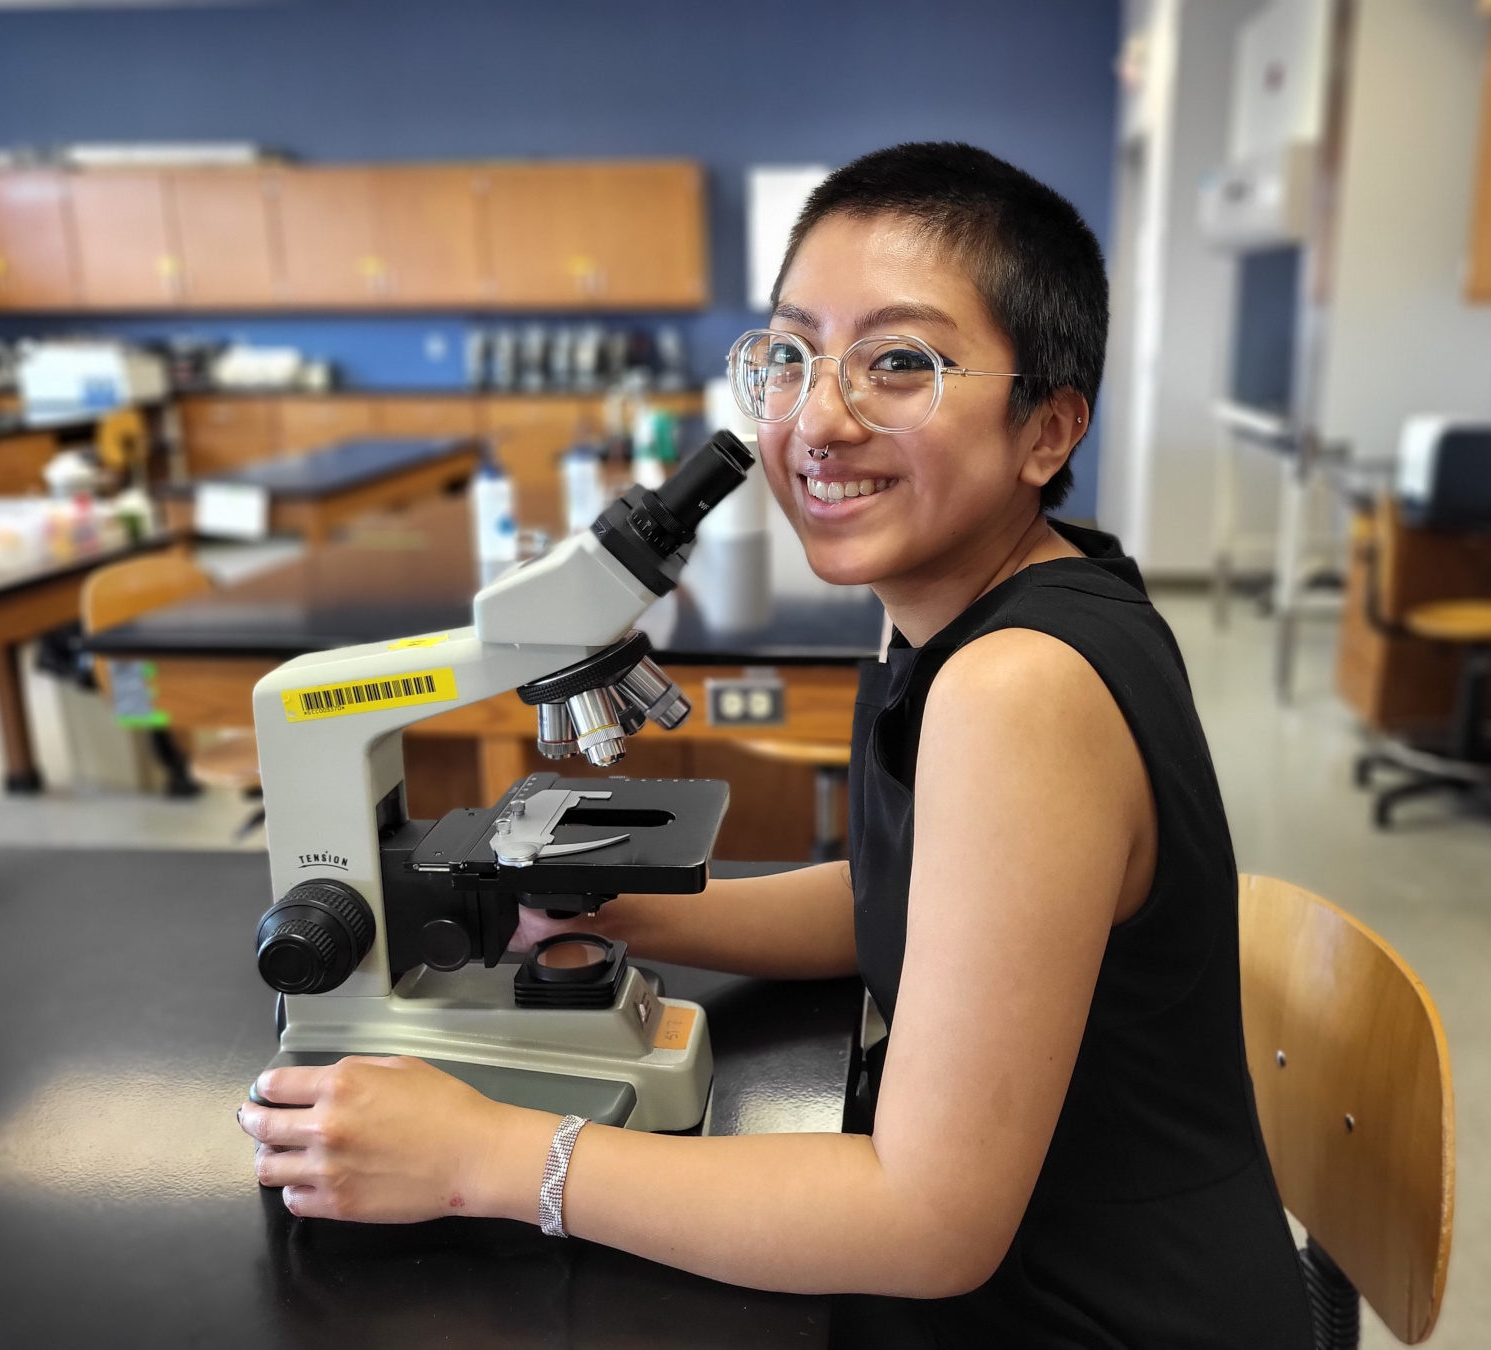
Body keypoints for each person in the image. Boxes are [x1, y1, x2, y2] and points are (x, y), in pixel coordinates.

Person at [236, 142, 1313, 1349]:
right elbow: (904, 902)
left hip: (1097, 1309)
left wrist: (483, 1158)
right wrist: (626, 919)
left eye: (900, 362)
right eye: (791, 357)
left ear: (1048, 429)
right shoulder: (1009, 608)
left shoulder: (1018, 688)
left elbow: (926, 1222)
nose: (820, 418)